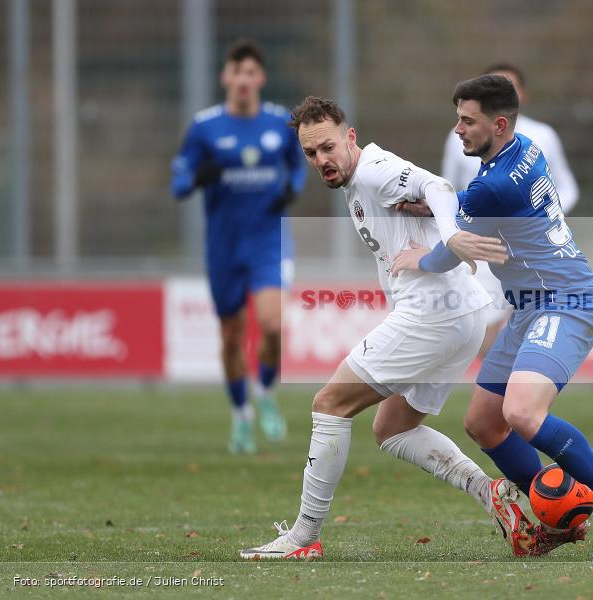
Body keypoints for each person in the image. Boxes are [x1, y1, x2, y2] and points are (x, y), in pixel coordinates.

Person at [238, 96, 531, 561]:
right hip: (462, 313)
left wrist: (450, 234)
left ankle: (301, 539)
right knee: (392, 428)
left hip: (434, 313)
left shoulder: (373, 169)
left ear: (349, 138)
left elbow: (438, 186)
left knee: (329, 404)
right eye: (311, 154)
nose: (321, 161)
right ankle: (493, 495)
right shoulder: (360, 181)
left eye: (328, 147)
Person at [393, 75, 593, 562]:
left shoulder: (493, 186)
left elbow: (452, 250)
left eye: (467, 121)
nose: (458, 130)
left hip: (566, 301)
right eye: (457, 119)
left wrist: (418, 260)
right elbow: (465, 211)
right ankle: (558, 510)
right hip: (532, 304)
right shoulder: (524, 148)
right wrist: (431, 207)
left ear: (499, 123)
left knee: (521, 413)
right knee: (484, 423)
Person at [171, 39, 305, 454]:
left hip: (268, 241)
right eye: (237, 72)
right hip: (224, 247)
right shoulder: (205, 126)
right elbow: (179, 179)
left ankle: (264, 391)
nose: (244, 80)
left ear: (260, 78)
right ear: (225, 77)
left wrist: (291, 189)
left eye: (251, 72)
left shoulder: (280, 122)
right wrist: (197, 178)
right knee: (231, 338)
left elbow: (299, 164)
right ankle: (241, 415)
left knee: (272, 325)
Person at [441, 64, 580, 357]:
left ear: (521, 95)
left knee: (532, 337)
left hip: (531, 253)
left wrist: (541, 217)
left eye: (510, 85)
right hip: (482, 247)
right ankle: (513, 394)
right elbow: (448, 190)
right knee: (482, 336)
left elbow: (566, 187)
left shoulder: (540, 136)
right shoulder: (462, 136)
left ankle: (521, 395)